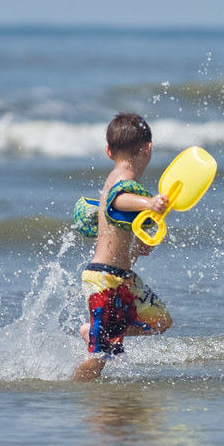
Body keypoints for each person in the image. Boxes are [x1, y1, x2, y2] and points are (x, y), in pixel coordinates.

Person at [73, 112, 173, 381]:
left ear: (108, 151)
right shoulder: (122, 182)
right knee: (97, 359)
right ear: (148, 148)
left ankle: (96, 330)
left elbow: (118, 221)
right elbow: (118, 200)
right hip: (105, 279)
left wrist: (138, 244)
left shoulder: (122, 179)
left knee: (160, 320)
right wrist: (148, 203)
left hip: (122, 278)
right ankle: (71, 393)